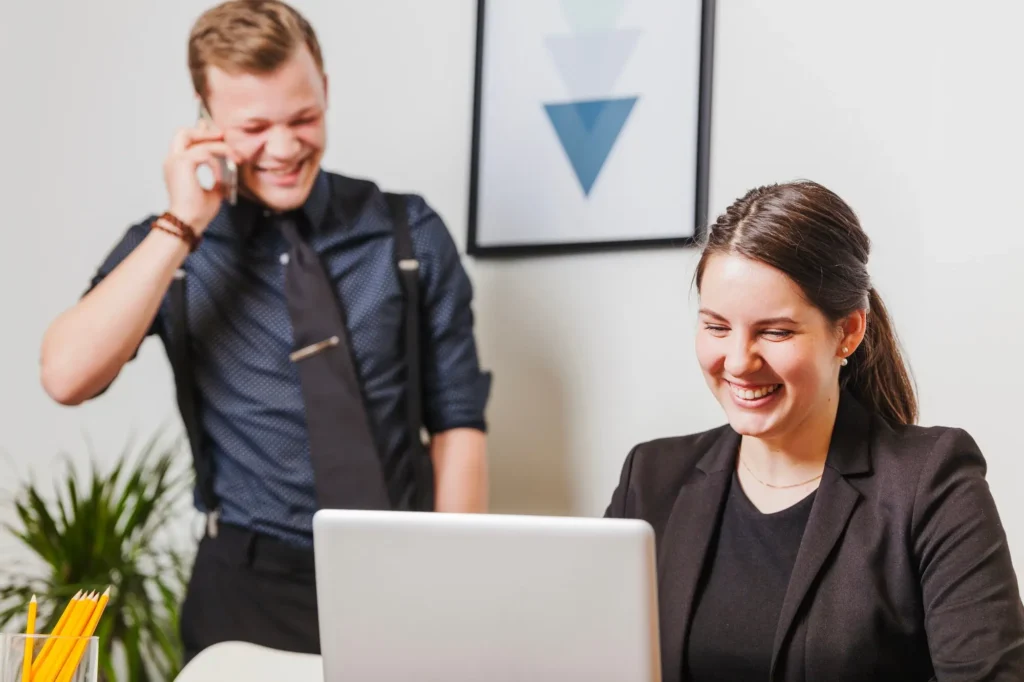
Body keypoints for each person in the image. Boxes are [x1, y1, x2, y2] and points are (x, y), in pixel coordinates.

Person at [39, 0, 491, 662]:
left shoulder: (407, 232)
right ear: (206, 118)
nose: (283, 148)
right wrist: (183, 223)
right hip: (245, 593)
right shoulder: (173, 250)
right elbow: (65, 375)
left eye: (303, 117)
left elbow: (458, 425)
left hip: (402, 579)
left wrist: (453, 587)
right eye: (253, 127)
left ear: (326, 90)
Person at [605, 180, 1024, 681]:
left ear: (847, 331)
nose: (738, 361)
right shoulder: (650, 479)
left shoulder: (930, 483)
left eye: (775, 331)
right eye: (717, 327)